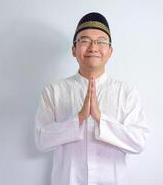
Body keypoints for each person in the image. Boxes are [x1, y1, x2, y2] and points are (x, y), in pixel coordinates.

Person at [34, 12, 149, 185]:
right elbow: (41, 141)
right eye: (85, 40)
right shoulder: (54, 91)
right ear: (74, 49)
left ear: (110, 51)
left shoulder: (125, 92)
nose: (93, 47)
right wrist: (79, 118)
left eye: (101, 41)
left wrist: (100, 119)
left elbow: (139, 142)